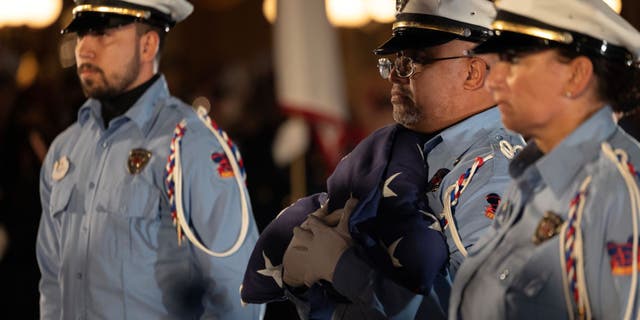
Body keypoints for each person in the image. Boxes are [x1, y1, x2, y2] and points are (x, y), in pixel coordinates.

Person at [241, 0, 524, 318]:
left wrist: (343, 268)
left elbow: (470, 311)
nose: (395, 78)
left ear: (472, 72)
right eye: (395, 62)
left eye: (413, 62)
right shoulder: (406, 151)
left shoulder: (493, 173)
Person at [36, 1, 263, 319]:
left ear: (148, 45)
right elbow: (52, 282)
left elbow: (237, 291)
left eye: (102, 34)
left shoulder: (189, 145)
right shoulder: (65, 150)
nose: (84, 49)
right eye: (81, 34)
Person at [448, 0, 640, 319]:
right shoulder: (534, 176)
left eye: (513, 62)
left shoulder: (615, 188)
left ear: (576, 75)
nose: (493, 80)